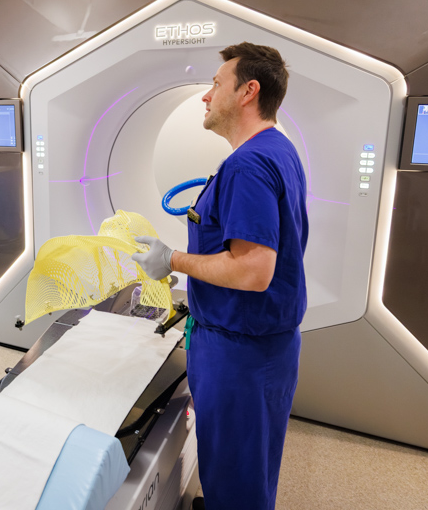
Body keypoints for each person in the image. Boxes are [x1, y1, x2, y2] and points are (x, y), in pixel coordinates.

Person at [132, 42, 308, 510]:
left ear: (248, 91)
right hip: (262, 343)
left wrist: (171, 260)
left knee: (234, 472)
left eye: (215, 84)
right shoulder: (278, 149)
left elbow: (252, 270)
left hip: (239, 353)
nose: (206, 97)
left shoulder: (247, 165)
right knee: (249, 465)